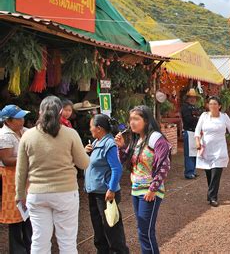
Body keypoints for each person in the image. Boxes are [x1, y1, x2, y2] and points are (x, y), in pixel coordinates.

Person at [15, 96, 90, 253]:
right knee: (67, 242)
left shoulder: (27, 136)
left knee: (39, 241)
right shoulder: (70, 134)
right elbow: (84, 164)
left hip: (36, 194)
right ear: (60, 112)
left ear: (40, 112)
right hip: (66, 193)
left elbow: (21, 170)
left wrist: (20, 195)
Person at [115, 105, 172, 254]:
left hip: (149, 191)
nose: (132, 122)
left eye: (136, 119)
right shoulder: (136, 140)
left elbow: (164, 165)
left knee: (145, 232)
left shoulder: (155, 138)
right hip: (136, 190)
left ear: (146, 121)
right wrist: (121, 147)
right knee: (142, 230)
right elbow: (124, 160)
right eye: (130, 119)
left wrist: (153, 189)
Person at [85, 114, 129, 253]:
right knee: (99, 229)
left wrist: (111, 189)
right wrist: (87, 152)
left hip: (105, 193)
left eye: (91, 126)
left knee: (112, 228)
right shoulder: (97, 142)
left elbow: (117, 168)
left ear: (99, 128)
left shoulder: (109, 144)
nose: (90, 129)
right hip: (94, 192)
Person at [194, 97, 230, 207]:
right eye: (210, 104)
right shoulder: (204, 116)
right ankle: (211, 193)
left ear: (219, 106)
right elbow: (197, 131)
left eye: (215, 104)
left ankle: (213, 197)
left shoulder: (224, 117)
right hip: (206, 149)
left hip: (220, 149)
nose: (212, 106)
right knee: (209, 174)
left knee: (216, 173)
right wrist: (197, 142)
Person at [0, 105, 32, 254]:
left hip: (25, 176)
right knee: (15, 214)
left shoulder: (24, 131)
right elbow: (6, 160)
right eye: (18, 118)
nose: (22, 120)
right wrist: (26, 158)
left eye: (22, 117)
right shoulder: (4, 135)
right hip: (10, 177)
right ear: (8, 121)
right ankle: (18, 249)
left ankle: (30, 245)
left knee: (28, 212)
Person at [180, 88, 202, 179]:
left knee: (194, 153)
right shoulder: (185, 107)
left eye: (194, 98)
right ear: (187, 98)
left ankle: (192, 171)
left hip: (194, 132)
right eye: (191, 97)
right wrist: (198, 119)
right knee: (189, 154)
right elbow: (188, 119)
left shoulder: (195, 107)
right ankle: (189, 172)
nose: (193, 99)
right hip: (188, 131)